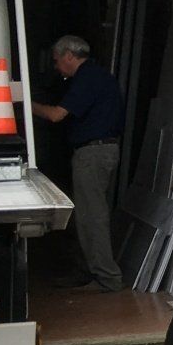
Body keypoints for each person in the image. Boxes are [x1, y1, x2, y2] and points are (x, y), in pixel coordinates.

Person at [31, 35, 125, 293]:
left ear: (69, 56)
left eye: (57, 60)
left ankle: (107, 278)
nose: (56, 66)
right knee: (86, 215)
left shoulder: (87, 78)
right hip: (99, 151)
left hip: (93, 154)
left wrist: (24, 104)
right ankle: (90, 272)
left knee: (91, 216)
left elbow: (56, 115)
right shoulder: (96, 77)